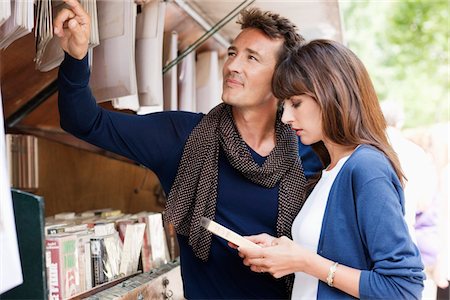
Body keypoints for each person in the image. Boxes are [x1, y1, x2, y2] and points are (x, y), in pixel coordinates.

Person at [53, 0, 322, 298]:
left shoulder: (309, 156)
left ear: (281, 80)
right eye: (232, 52)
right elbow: (86, 122)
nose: (232, 65)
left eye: (252, 58)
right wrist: (76, 57)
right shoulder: (183, 137)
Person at [238, 39, 425, 299]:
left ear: (331, 92)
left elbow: (403, 287)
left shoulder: (366, 168)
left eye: (296, 103)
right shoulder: (331, 170)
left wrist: (305, 262)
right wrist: (283, 251)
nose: (285, 117)